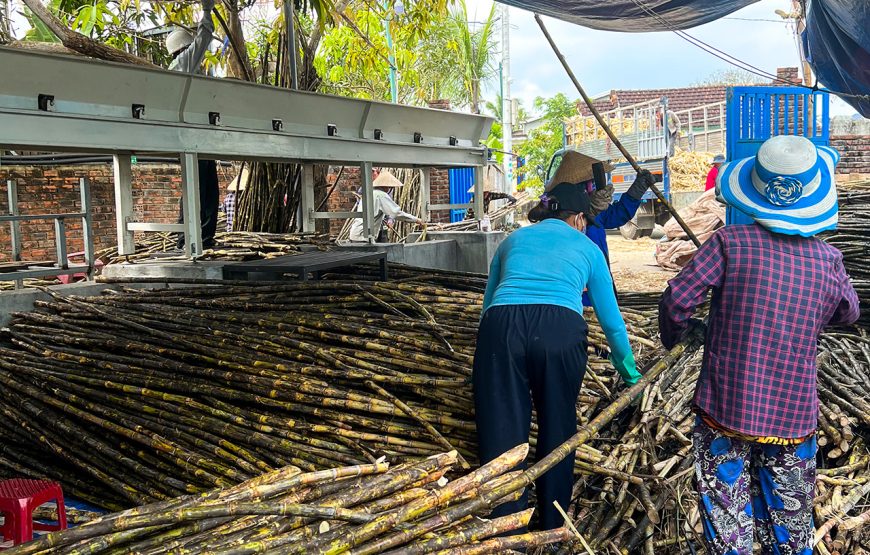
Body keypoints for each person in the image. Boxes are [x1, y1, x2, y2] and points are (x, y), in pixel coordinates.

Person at [659, 135, 860, 555]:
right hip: (792, 414)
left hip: (726, 407)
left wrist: (681, 335)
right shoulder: (828, 260)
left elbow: (678, 299)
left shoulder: (730, 243)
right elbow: (849, 313)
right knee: (790, 525)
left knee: (728, 526)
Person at [474, 182, 641, 533]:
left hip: (501, 326)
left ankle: (506, 525)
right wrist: (630, 374)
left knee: (501, 429)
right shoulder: (587, 247)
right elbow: (612, 322)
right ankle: (552, 524)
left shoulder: (512, 241)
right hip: (559, 329)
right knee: (558, 423)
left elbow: (488, 304)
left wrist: (492, 356)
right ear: (579, 218)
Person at [167, 0, 220, 250]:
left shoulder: (177, 68)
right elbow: (204, 38)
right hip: (192, 139)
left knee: (201, 192)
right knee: (201, 194)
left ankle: (194, 239)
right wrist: (207, 11)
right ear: (184, 48)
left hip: (194, 138)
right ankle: (192, 241)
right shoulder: (184, 63)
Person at [546, 150, 656, 265]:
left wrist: (638, 188)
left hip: (600, 271)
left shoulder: (595, 206)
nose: (593, 187)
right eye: (589, 184)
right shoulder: (556, 214)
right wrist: (590, 213)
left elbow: (618, 215)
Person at [347, 170, 424, 242]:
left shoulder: (369, 193)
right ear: (385, 185)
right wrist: (417, 220)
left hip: (357, 234)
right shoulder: (381, 195)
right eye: (389, 186)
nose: (389, 189)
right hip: (362, 236)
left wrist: (389, 220)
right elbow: (396, 213)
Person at [223, 166, 249, 232]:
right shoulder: (247, 198)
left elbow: (224, 211)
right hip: (244, 231)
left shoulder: (228, 197)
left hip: (230, 230)